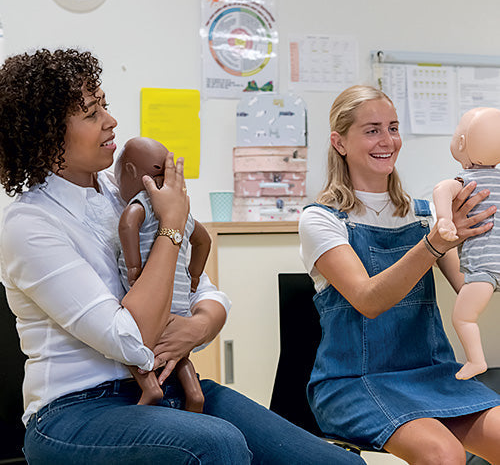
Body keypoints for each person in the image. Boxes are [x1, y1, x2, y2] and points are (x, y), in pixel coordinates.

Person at [0, 48, 364, 465]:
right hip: (75, 411)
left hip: (167, 388)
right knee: (217, 445)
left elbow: (205, 293)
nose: (110, 120)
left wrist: (200, 326)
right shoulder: (30, 223)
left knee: (339, 463)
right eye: (90, 113)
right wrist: (171, 227)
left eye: (105, 104)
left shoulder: (128, 191)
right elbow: (129, 339)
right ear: (46, 135)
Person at [299, 85, 500, 464]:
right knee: (444, 455)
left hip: (433, 372)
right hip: (354, 382)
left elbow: (468, 284)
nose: (387, 140)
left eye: (392, 127)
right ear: (339, 142)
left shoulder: (426, 212)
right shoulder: (321, 220)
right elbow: (369, 299)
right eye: (372, 129)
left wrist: (488, 248)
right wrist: (435, 243)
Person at [115, 136, 210, 410]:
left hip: (149, 295)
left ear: (131, 171)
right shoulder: (184, 213)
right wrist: (194, 275)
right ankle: (194, 394)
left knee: (133, 342)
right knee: (178, 356)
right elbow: (204, 241)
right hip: (179, 298)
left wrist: (133, 267)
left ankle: (150, 388)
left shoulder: (140, 203)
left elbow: (127, 225)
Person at [434, 107, 500, 381]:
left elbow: (441, 190)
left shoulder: (465, 181)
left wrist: (445, 220)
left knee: (463, 318)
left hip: (483, 271)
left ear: (461, 144)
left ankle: (476, 360)